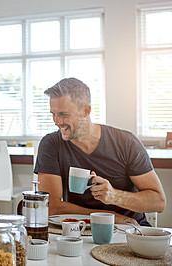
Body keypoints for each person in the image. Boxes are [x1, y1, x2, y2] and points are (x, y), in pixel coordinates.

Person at [34, 77, 166, 226]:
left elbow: (158, 202)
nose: (56, 121)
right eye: (53, 114)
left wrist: (113, 196)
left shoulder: (126, 142)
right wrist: (108, 217)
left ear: (86, 110)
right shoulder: (51, 144)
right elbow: (51, 206)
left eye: (63, 114)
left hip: (130, 228)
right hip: (81, 229)